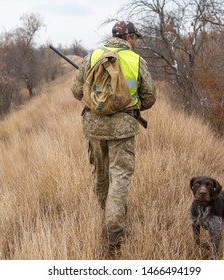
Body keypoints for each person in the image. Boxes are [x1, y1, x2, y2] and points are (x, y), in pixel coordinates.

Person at [71, 21, 157, 250]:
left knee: (100, 175)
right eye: (135, 37)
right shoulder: (136, 60)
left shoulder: (92, 56)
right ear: (128, 37)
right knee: (119, 178)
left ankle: (105, 218)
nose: (137, 41)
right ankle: (114, 233)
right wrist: (129, 103)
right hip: (123, 129)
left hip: (94, 128)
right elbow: (149, 97)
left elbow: (76, 91)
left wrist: (97, 100)